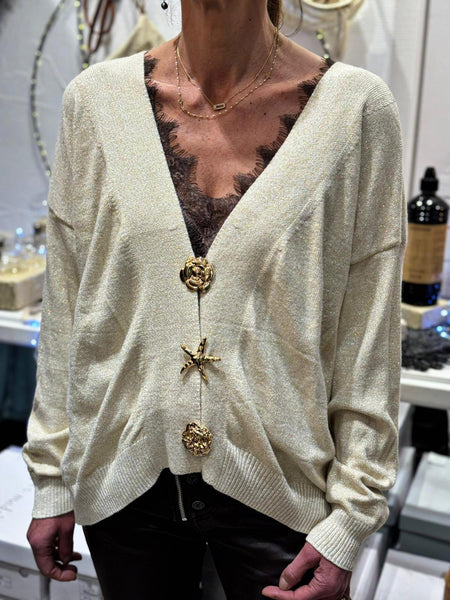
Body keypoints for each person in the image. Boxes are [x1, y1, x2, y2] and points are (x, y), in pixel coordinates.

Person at [22, 0, 407, 598]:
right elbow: (68, 308)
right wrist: (52, 476)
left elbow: (369, 335)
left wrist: (352, 518)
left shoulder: (357, 109)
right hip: (124, 489)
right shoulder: (94, 102)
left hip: (283, 498)